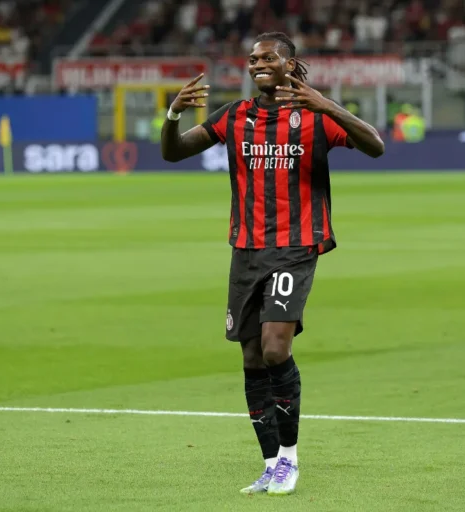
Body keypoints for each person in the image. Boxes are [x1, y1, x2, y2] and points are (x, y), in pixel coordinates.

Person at [160, 32, 384, 495]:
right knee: (251, 356)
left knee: (276, 349)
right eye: (252, 59)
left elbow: (376, 145)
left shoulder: (315, 116)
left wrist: (327, 105)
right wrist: (173, 114)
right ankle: (269, 463)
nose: (257, 64)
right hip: (246, 250)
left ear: (290, 64)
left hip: (295, 247)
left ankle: (289, 459)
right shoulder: (234, 115)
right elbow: (173, 151)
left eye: (267, 58)